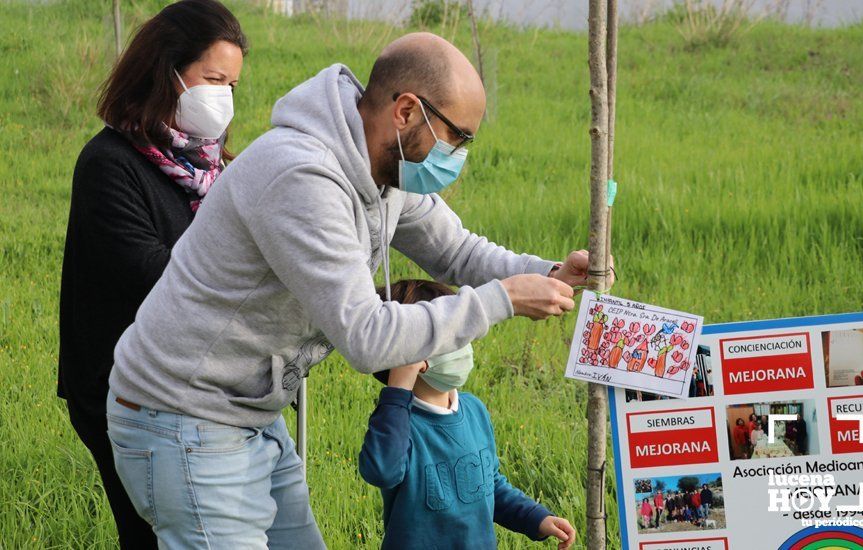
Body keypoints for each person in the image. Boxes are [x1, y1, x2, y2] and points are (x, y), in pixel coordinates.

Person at [106, 32, 613, 547]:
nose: (459, 155)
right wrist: (501, 300)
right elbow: (367, 335)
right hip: (183, 417)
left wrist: (547, 271)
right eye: (458, 137)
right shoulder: (302, 176)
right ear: (407, 112)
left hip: (245, 414)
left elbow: (455, 250)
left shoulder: (384, 168)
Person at [57, 1, 246, 547]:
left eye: (232, 84)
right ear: (166, 71)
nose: (224, 98)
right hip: (121, 388)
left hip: (192, 380)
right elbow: (161, 277)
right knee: (156, 533)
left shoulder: (212, 165)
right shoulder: (110, 164)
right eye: (213, 79)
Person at [358, 280, 575, 549]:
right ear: (414, 358)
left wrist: (535, 518)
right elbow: (382, 472)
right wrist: (398, 387)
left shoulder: (473, 411)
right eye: (451, 335)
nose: (463, 341)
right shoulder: (398, 423)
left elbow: (489, 486)